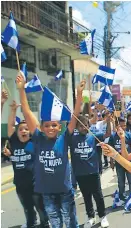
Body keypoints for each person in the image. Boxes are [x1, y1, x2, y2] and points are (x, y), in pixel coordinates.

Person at [16, 73, 82, 227]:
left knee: (71, 222)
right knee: (55, 223)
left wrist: (79, 95)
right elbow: (26, 112)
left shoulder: (64, 137)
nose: (50, 128)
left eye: (54, 125)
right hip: (47, 193)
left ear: (60, 127)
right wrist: (21, 90)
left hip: (65, 191)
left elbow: (75, 116)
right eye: (46, 125)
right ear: (41, 127)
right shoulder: (38, 138)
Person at [3, 100, 49, 228]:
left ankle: (45, 223)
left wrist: (25, 109)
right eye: (21, 129)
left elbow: (36, 126)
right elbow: (11, 125)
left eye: (26, 129)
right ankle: (31, 223)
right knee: (28, 208)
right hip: (20, 185)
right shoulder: (15, 142)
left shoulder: (35, 142)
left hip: (35, 184)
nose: (23, 131)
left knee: (40, 207)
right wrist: (12, 110)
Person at [68, 108, 111, 227]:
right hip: (80, 174)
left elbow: (107, 134)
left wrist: (108, 122)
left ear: (88, 125)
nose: (84, 127)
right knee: (86, 197)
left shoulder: (93, 136)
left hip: (93, 172)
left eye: (86, 125)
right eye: (81, 125)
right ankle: (91, 217)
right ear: (76, 127)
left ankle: (103, 216)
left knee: (98, 195)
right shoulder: (72, 139)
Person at [108, 117, 131, 209]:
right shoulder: (113, 137)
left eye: (124, 125)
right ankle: (121, 198)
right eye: (121, 126)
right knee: (121, 182)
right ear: (117, 127)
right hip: (119, 163)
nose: (123, 128)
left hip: (129, 162)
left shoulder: (129, 135)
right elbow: (111, 150)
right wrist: (111, 161)